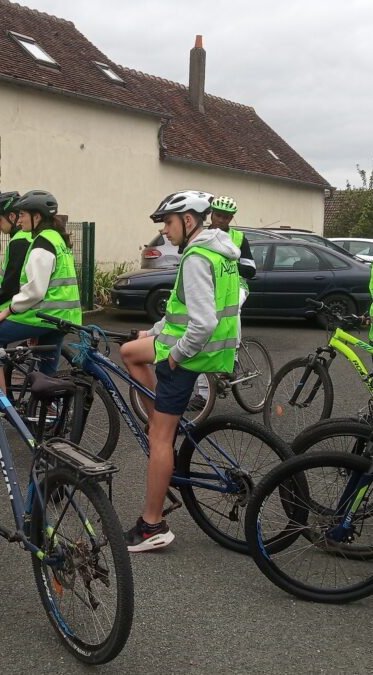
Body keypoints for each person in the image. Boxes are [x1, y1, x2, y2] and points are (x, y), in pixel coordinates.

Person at [119, 190, 240, 552]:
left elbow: (201, 323)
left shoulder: (197, 258)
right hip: (204, 350)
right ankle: (157, 416)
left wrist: (176, 356)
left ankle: (151, 525)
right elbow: (183, 311)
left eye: (169, 223)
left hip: (190, 355)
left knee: (161, 440)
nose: (166, 231)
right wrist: (154, 332)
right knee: (129, 352)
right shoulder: (218, 250)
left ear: (189, 221)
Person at [0, 190, 81, 392]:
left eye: (23, 215)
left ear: (37, 217)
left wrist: (8, 311)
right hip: (65, 317)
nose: (19, 221)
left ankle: (1, 402)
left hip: (43, 315)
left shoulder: (42, 243)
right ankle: (48, 411)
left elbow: (35, 291)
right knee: (46, 375)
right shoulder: (57, 238)